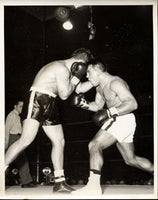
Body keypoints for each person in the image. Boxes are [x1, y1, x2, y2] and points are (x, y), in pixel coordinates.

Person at [5, 48, 94, 192]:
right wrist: (76, 78)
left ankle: (59, 182)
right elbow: (65, 95)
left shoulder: (68, 71)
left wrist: (95, 82)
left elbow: (78, 89)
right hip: (38, 98)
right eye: (83, 67)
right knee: (26, 140)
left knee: (59, 141)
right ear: (80, 62)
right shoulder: (61, 68)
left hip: (51, 102)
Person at [71, 60, 154, 195]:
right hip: (121, 120)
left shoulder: (115, 83)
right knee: (130, 160)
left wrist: (109, 112)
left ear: (98, 70)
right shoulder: (99, 88)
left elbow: (133, 104)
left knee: (94, 144)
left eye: (89, 72)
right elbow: (98, 107)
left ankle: (93, 186)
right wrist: (83, 104)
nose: (87, 76)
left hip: (123, 118)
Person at [5, 100, 35, 188]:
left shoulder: (17, 116)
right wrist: (6, 142)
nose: (22, 108)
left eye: (23, 106)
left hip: (18, 138)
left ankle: (27, 181)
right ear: (15, 106)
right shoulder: (11, 115)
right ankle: (26, 181)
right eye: (20, 106)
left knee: (21, 160)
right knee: (20, 159)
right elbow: (6, 129)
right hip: (12, 138)